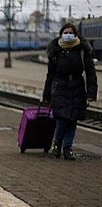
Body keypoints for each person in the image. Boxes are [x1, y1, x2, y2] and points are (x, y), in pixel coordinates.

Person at [43, 22, 98, 160]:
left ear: (75, 34)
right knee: (62, 118)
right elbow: (50, 74)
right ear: (61, 34)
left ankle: (67, 148)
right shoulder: (55, 51)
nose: (68, 35)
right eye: (66, 32)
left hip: (77, 88)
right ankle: (56, 146)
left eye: (70, 32)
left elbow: (91, 71)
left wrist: (92, 92)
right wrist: (46, 95)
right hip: (60, 87)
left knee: (73, 119)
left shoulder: (82, 50)